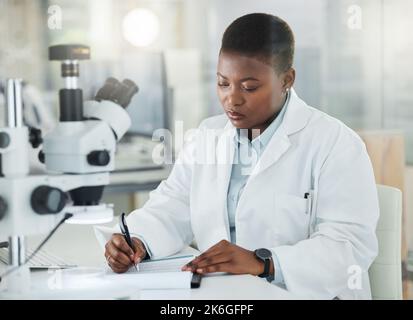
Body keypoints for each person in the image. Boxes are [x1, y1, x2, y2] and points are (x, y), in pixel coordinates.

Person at [103, 13, 379, 299]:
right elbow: (171, 206)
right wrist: (136, 241)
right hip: (222, 297)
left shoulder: (334, 143)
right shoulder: (207, 136)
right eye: (223, 83)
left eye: (249, 87)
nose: (232, 99)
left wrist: (264, 262)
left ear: (287, 79)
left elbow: (350, 248)